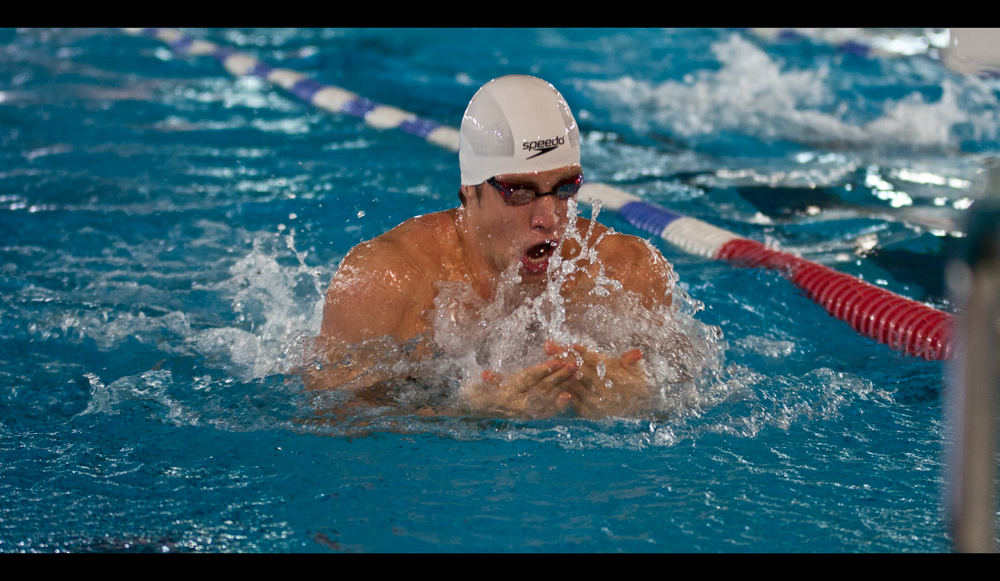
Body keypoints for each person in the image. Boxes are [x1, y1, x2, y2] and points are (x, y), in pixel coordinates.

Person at [303, 75, 678, 418]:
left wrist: (642, 401)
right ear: (469, 193)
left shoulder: (626, 270)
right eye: (519, 192)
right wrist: (467, 415)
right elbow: (331, 417)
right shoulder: (386, 280)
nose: (548, 218)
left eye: (564, 188)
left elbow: (693, 385)